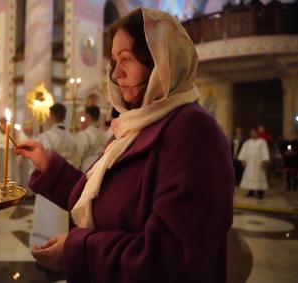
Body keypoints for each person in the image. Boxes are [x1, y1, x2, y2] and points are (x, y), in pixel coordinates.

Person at [16, 8, 234, 283]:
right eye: (114, 61)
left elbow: (170, 256)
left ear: (159, 62)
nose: (116, 73)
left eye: (127, 59)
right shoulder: (135, 125)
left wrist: (77, 250)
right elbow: (105, 199)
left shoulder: (194, 131)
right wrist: (51, 167)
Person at [29, 103, 76, 247]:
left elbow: (40, 160)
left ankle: (44, 245)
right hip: (67, 180)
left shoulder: (46, 137)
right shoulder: (72, 137)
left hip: (50, 180)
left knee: (48, 212)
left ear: (52, 116)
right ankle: (63, 244)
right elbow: (78, 158)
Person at [238, 128, 270, 199]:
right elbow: (243, 152)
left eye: (254, 132)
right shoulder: (247, 142)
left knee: (259, 176)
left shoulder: (262, 142)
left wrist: (264, 161)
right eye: (251, 132)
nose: (253, 134)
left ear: (257, 133)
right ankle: (250, 191)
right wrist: (243, 160)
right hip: (249, 164)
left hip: (258, 164)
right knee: (250, 176)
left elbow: (265, 152)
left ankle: (260, 193)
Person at [75, 105, 108, 171]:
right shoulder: (105, 135)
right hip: (102, 168)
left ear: (88, 116)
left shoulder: (84, 135)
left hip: (87, 168)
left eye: (85, 115)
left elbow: (78, 156)